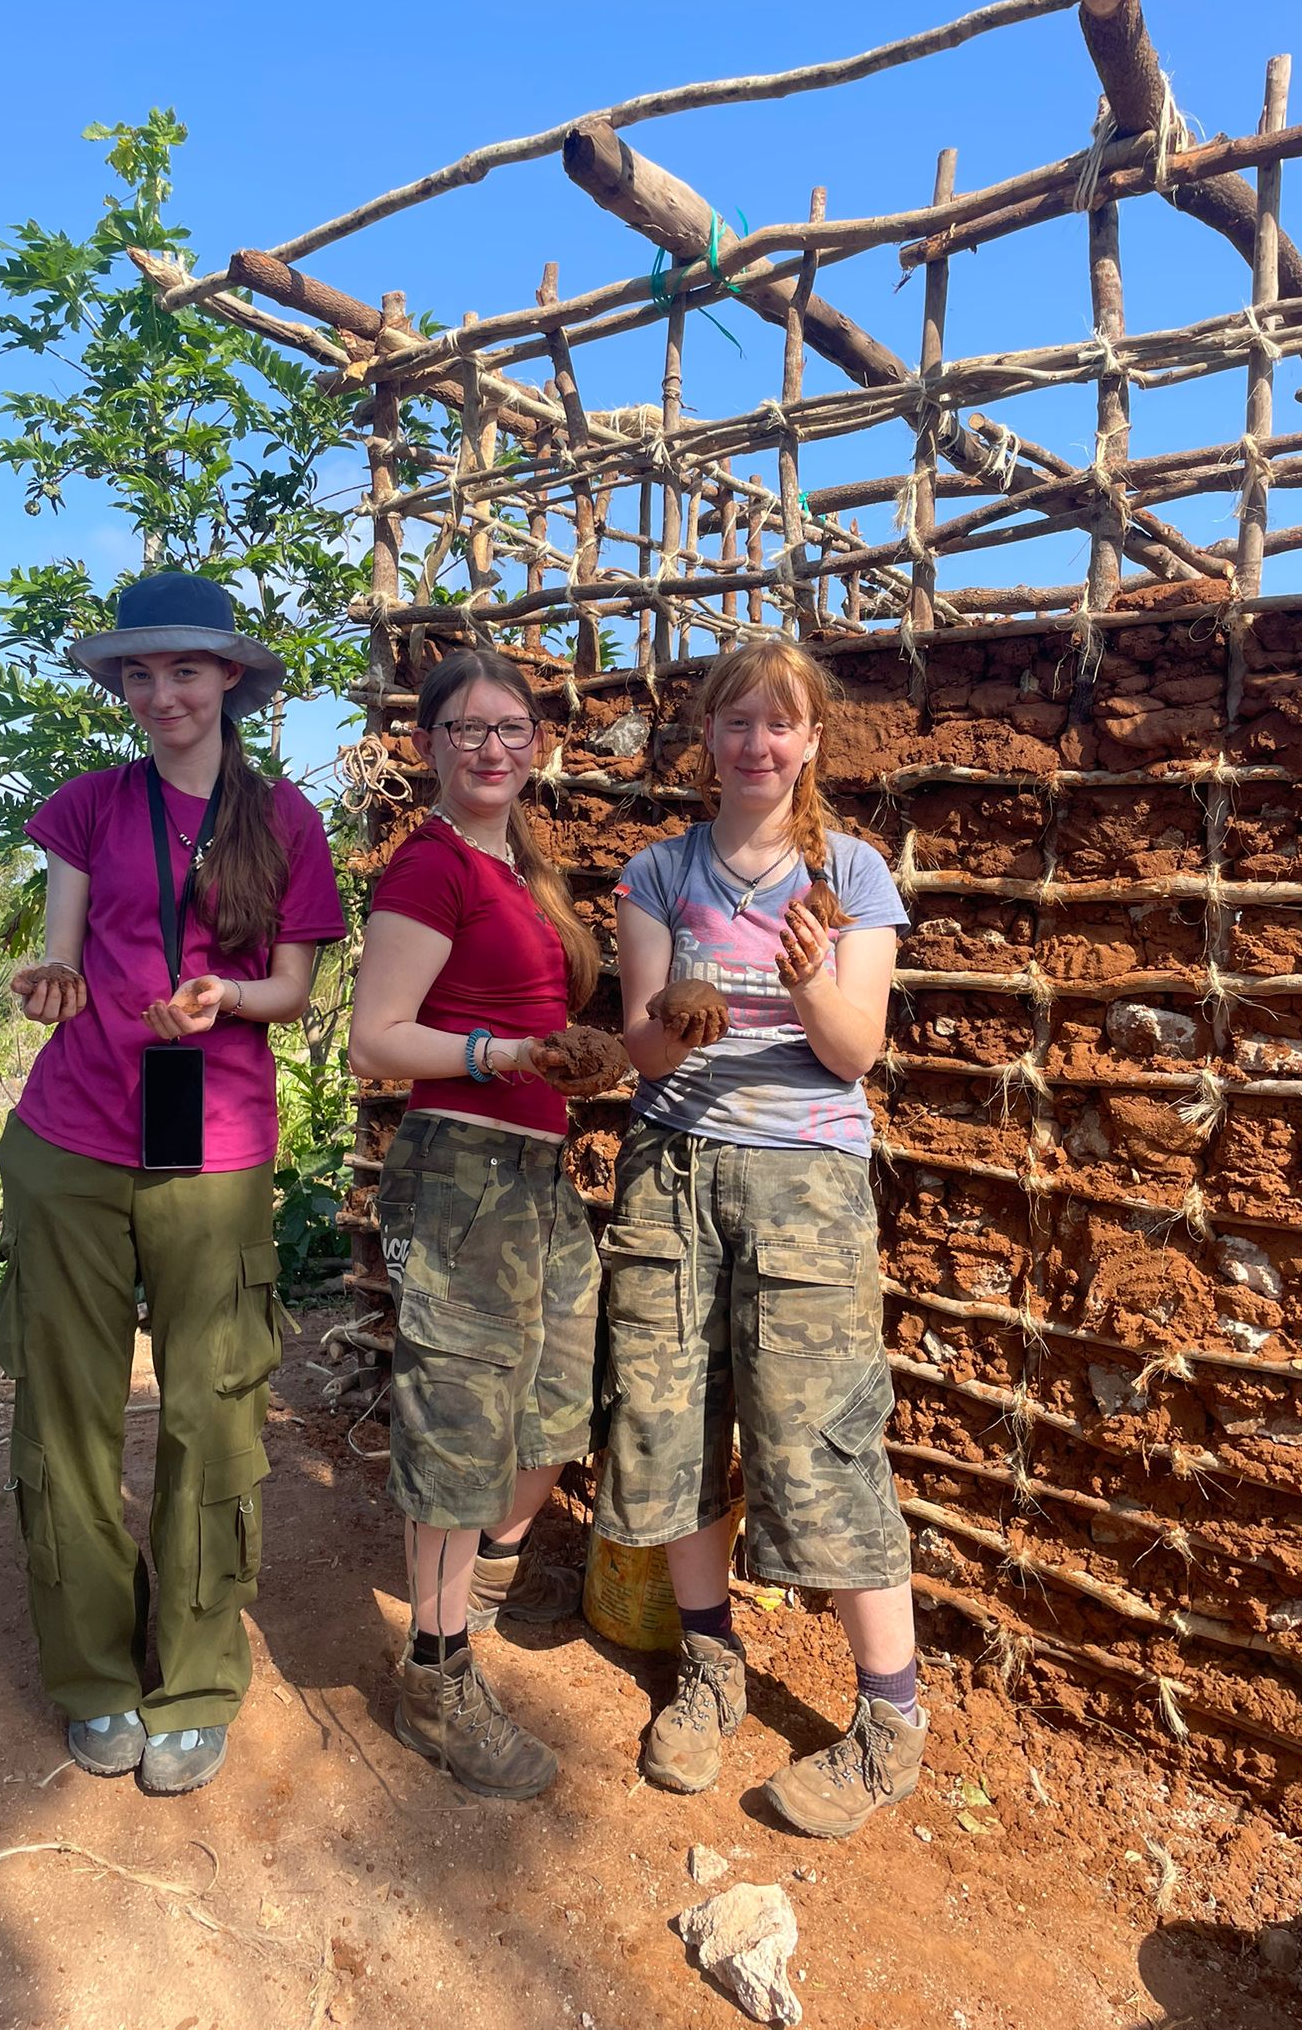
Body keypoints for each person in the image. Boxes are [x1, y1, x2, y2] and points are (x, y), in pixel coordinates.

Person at [0, 570, 344, 1797]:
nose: (159, 694)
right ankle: (93, 1673)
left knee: (211, 1408)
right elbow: (60, 946)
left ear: (230, 679)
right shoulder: (88, 805)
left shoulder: (288, 820)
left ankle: (195, 1675)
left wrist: (226, 997)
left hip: (216, 1142)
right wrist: (51, 981)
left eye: (183, 670)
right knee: (68, 1409)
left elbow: (293, 988)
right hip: (74, 1134)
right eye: (137, 675)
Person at [596, 633, 925, 1839]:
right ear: (707, 739)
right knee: (672, 1412)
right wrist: (678, 1019)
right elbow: (639, 1046)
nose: (755, 744)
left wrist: (803, 984)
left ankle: (891, 1720)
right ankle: (711, 1661)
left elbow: (855, 1050)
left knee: (820, 1436)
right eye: (735, 721)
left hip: (804, 1182)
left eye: (778, 723)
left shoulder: (852, 875)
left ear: (810, 743)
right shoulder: (658, 872)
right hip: (673, 1172)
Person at [348, 644, 625, 1802]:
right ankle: (437, 1671)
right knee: (462, 1420)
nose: (493, 746)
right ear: (428, 746)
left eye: (512, 727)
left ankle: (485, 1581)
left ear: (540, 741)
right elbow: (378, 1036)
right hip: (462, 1166)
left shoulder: (528, 868)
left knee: (555, 1398)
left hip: (539, 1173)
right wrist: (502, 1054)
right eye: (467, 728)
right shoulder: (431, 868)